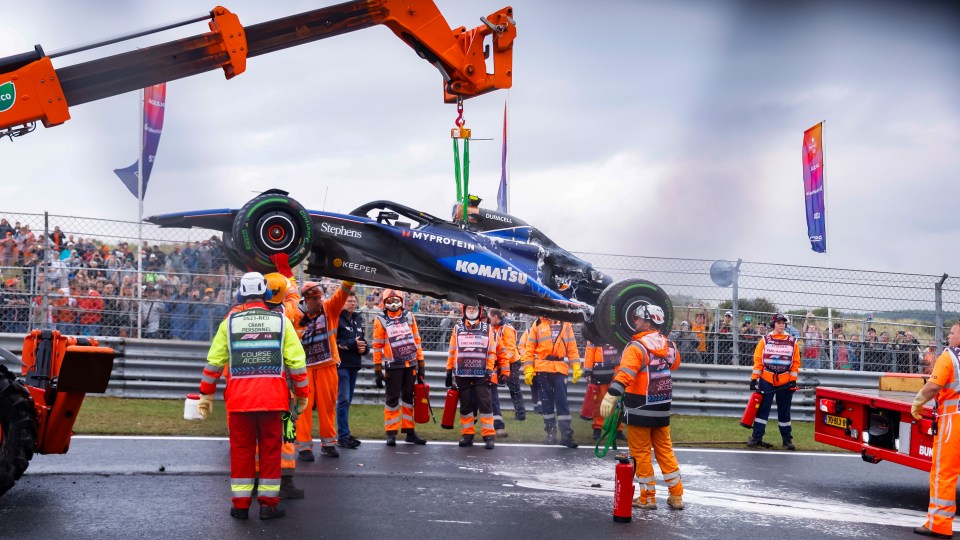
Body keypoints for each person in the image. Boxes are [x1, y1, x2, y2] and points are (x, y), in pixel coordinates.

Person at [195, 272, 309, 520]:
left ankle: (240, 505)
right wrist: (302, 394)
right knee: (270, 451)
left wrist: (205, 393)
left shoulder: (229, 322)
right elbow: (297, 363)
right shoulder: (281, 322)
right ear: (266, 293)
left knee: (241, 452)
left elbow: (214, 363)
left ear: (240, 295)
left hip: (239, 401)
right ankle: (268, 505)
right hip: (273, 400)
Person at [599, 304, 684, 511]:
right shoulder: (668, 344)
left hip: (639, 407)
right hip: (662, 406)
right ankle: (677, 496)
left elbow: (626, 373)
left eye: (637, 318)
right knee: (665, 450)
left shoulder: (636, 346)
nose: (634, 321)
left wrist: (611, 394)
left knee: (641, 452)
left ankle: (647, 497)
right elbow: (676, 364)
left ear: (647, 321)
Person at [910, 322, 960, 539]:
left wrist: (917, 402)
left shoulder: (949, 357)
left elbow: (933, 386)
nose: (948, 336)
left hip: (952, 422)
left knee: (944, 473)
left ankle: (939, 524)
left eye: (952, 332)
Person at [295, 278, 353, 460]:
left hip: (327, 365)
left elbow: (342, 293)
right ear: (305, 300)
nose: (319, 301)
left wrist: (349, 277)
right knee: (302, 407)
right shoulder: (294, 315)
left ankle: (329, 443)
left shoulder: (330, 308)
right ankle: (304, 447)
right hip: (304, 367)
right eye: (314, 299)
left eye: (320, 297)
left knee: (327, 405)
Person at [372, 289, 428, 446]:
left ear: (401, 301)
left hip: (410, 364)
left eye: (396, 300)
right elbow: (377, 346)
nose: (393, 303)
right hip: (393, 366)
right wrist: (377, 369)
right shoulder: (381, 319)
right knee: (392, 398)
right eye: (389, 301)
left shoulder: (409, 316)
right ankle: (391, 433)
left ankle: (409, 431)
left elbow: (417, 340)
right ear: (384, 302)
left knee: (409, 398)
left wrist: (421, 363)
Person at [523, 316, 582, 448]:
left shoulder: (566, 324)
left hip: (559, 368)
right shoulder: (537, 323)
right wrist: (528, 369)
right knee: (546, 403)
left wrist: (576, 366)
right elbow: (529, 348)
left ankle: (566, 435)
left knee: (562, 402)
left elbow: (572, 347)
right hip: (543, 368)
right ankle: (550, 433)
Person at [446, 303, 498, 449]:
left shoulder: (487, 329)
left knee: (485, 404)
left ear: (479, 311)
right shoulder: (457, 328)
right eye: (469, 308)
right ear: (464, 310)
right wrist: (449, 371)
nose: (471, 310)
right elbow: (452, 350)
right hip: (462, 373)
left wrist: (489, 369)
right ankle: (467, 435)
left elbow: (492, 351)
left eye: (474, 308)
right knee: (466, 405)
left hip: (481, 373)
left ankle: (489, 436)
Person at [748, 313, 801, 450]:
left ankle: (787, 440)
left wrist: (793, 380)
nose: (781, 324)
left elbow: (795, 362)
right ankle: (756, 437)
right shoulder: (765, 340)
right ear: (773, 324)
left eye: (783, 322)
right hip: (766, 379)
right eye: (779, 322)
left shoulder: (792, 341)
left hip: (785, 380)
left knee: (784, 412)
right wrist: (754, 379)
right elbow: (758, 361)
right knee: (762, 410)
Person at [336, 292, 367, 449]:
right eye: (349, 300)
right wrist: (353, 344)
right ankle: (342, 436)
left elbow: (362, 340)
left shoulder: (357, 319)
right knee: (343, 400)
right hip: (341, 365)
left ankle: (345, 432)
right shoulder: (336, 319)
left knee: (347, 401)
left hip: (354, 364)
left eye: (354, 300)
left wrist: (364, 347)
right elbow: (336, 342)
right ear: (342, 302)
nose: (352, 303)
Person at [488, 308, 525, 429]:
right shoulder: (495, 328)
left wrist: (502, 364)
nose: (488, 319)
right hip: (502, 362)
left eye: (489, 317)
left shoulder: (507, 328)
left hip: (512, 362)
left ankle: (521, 414)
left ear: (495, 317)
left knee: (514, 388)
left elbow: (510, 348)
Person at [584, 340, 624, 441]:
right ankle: (597, 429)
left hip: (615, 373)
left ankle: (618, 430)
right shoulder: (594, 334)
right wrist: (588, 371)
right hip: (599, 374)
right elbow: (590, 352)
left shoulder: (617, 333)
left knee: (617, 403)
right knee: (600, 403)